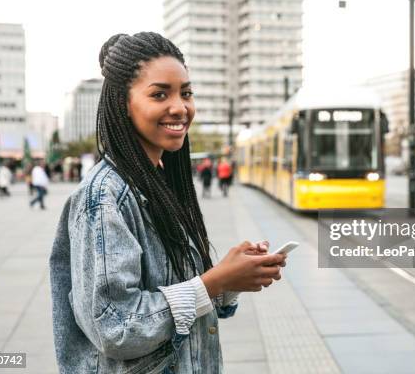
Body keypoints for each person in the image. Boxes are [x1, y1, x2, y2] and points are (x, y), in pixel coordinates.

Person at [49, 32, 287, 374]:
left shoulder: (161, 179)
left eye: (186, 93)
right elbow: (115, 328)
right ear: (122, 104)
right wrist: (214, 281)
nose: (180, 107)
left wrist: (230, 279)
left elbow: (181, 295)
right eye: (160, 94)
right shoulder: (104, 197)